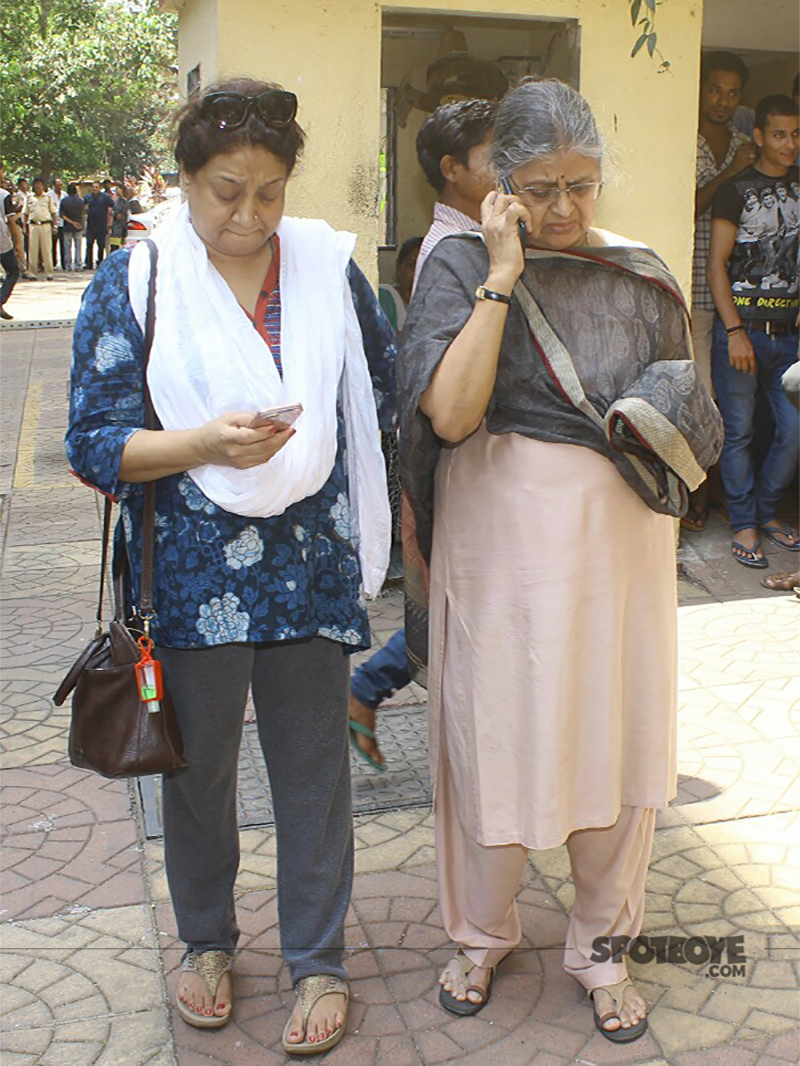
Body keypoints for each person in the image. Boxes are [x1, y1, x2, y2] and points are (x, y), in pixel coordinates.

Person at [66, 77, 395, 1057]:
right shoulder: (137, 283)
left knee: (312, 774)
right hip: (191, 578)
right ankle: (206, 944)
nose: (247, 216)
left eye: (267, 192)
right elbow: (94, 443)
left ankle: (319, 959)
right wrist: (202, 444)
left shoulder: (327, 271)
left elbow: (374, 399)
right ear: (183, 181)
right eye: (223, 191)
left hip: (309, 566)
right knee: (196, 775)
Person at [398, 80, 721, 1044]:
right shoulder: (458, 263)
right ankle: (481, 934)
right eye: (541, 188)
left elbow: (683, 417)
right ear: (500, 185)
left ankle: (603, 946)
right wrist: (504, 269)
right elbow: (450, 415)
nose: (566, 210)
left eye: (582, 185)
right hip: (500, 555)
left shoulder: (639, 271)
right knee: (492, 729)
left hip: (621, 551)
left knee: (614, 735)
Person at [349, 98, 496, 770]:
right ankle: (372, 689)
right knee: (451, 603)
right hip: (457, 457)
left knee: (449, 602)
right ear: (451, 169)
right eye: (497, 157)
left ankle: (372, 687)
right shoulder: (456, 252)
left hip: (470, 454)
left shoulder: (479, 239)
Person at [708, 93, 800, 568]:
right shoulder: (735, 190)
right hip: (741, 331)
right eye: (780, 134)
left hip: (790, 336)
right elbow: (717, 266)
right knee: (738, 431)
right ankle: (743, 520)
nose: (789, 144)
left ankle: (765, 511)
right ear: (759, 136)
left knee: (794, 430)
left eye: (797, 134)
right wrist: (735, 330)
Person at [684, 51, 756, 532]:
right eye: (715, 90)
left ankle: (720, 498)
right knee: (694, 397)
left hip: (730, 295)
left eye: (732, 94)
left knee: (727, 405)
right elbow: (685, 207)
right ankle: (694, 498)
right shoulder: (684, 141)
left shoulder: (744, 143)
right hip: (688, 288)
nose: (722, 102)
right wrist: (732, 173)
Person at [378, 236, 422, 332]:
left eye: (424, 266)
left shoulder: (436, 305)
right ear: (398, 266)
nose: (417, 272)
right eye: (412, 265)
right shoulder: (385, 298)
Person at [0, 162, 23, 319]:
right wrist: (18, 243)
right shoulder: (3, 195)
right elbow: (11, 222)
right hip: (2, 239)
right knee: (13, 271)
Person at [22, 176, 56, 280]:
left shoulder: (48, 198)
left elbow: (54, 213)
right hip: (33, 225)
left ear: (43, 186)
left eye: (40, 184)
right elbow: (25, 213)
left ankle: (49, 273)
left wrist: (54, 226)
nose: (38, 186)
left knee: (46, 249)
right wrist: (24, 227)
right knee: (33, 250)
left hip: (45, 225)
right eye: (36, 184)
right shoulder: (29, 198)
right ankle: (32, 272)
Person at [83, 181, 113, 268]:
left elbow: (112, 206)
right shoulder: (87, 197)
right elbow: (83, 206)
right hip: (91, 225)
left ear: (100, 188)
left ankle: (99, 262)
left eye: (96, 187)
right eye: (93, 187)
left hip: (101, 225)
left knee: (101, 245)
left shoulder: (105, 197)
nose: (94, 189)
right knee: (89, 245)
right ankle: (88, 263)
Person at [59, 183, 85, 270]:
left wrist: (71, 222)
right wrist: (80, 224)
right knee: (78, 246)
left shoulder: (64, 201)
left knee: (67, 246)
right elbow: (83, 213)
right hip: (79, 226)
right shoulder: (81, 201)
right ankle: (78, 265)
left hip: (67, 226)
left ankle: (68, 265)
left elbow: (62, 215)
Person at [48, 177, 66, 269]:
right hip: (52, 223)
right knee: (52, 244)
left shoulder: (64, 195)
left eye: (61, 185)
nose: (59, 187)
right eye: (57, 185)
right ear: (53, 186)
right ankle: (53, 263)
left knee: (63, 244)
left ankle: (64, 263)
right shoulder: (49, 195)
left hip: (63, 223)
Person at [109, 183, 132, 252]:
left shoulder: (123, 202)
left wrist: (114, 213)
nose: (116, 191)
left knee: (115, 248)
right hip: (115, 228)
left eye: (117, 189)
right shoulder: (118, 200)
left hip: (119, 229)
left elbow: (119, 215)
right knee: (113, 246)